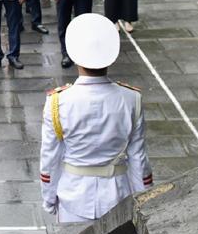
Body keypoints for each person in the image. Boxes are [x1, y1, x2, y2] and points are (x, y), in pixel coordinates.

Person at [40, 13, 153, 222]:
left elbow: (50, 158)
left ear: (74, 57)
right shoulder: (131, 99)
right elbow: (139, 158)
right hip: (118, 196)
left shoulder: (57, 102)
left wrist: (49, 197)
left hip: (73, 197)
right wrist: (146, 198)